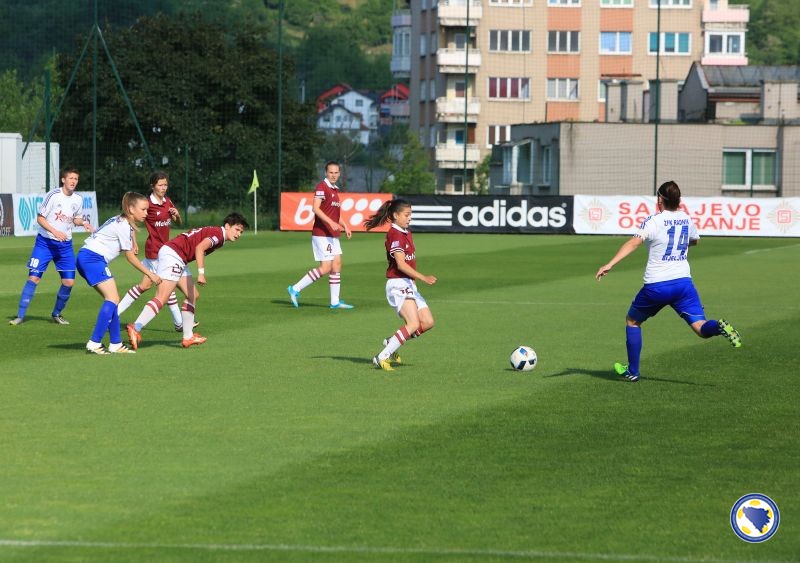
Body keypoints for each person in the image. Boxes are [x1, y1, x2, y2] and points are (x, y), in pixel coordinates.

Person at [595, 180, 742, 382]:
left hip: (657, 285)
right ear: (678, 200)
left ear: (659, 200)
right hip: (683, 284)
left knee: (633, 321)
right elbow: (695, 241)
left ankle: (633, 371)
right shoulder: (686, 219)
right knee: (701, 328)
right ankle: (719, 327)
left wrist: (609, 264)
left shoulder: (653, 221)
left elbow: (633, 243)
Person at [126, 212, 249, 350]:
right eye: (236, 229)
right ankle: (135, 327)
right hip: (174, 255)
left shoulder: (218, 234)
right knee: (162, 297)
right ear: (227, 226)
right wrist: (201, 273)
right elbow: (199, 248)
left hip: (178, 256)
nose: (238, 234)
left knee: (193, 295)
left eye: (241, 232)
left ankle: (188, 337)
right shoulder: (219, 235)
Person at [76, 192, 161, 354]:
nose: (146, 213)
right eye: (143, 209)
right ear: (131, 209)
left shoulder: (120, 220)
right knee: (113, 299)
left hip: (86, 257)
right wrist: (150, 274)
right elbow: (130, 257)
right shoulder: (123, 226)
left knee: (112, 300)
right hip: (92, 259)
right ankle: (94, 342)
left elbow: (130, 230)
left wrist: (133, 241)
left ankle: (115, 343)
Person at [9, 167, 93, 325]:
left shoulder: (78, 199)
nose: (73, 181)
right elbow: (40, 218)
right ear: (63, 180)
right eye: (71, 178)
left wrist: (83, 223)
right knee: (33, 278)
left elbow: (75, 219)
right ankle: (20, 316)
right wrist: (55, 231)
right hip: (45, 244)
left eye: (76, 179)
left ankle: (57, 314)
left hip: (65, 246)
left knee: (69, 282)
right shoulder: (53, 195)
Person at [117, 171, 195, 332]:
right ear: (153, 186)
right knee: (166, 286)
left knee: (145, 286)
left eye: (165, 184)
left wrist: (177, 216)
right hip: (155, 251)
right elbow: (130, 220)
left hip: (166, 251)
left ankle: (113, 314)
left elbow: (178, 223)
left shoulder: (168, 201)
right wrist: (133, 241)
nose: (163, 188)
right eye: (160, 185)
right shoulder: (148, 204)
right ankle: (179, 323)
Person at [365, 199, 437, 371]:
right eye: (406, 215)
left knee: (427, 322)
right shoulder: (395, 234)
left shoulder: (406, 232)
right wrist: (423, 277)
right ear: (396, 215)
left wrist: (415, 281)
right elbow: (401, 264)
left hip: (409, 284)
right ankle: (382, 357)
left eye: (410, 214)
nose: (409, 218)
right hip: (398, 284)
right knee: (413, 324)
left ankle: (392, 342)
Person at [287, 161, 354, 309]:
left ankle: (335, 302)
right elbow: (315, 208)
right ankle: (295, 288)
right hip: (322, 234)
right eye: (331, 172)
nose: (333, 175)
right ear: (326, 173)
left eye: (336, 172)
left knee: (337, 264)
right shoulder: (322, 187)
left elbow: (335, 215)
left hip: (332, 234)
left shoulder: (335, 190)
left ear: (339, 174)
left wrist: (345, 226)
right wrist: (330, 222)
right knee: (325, 267)